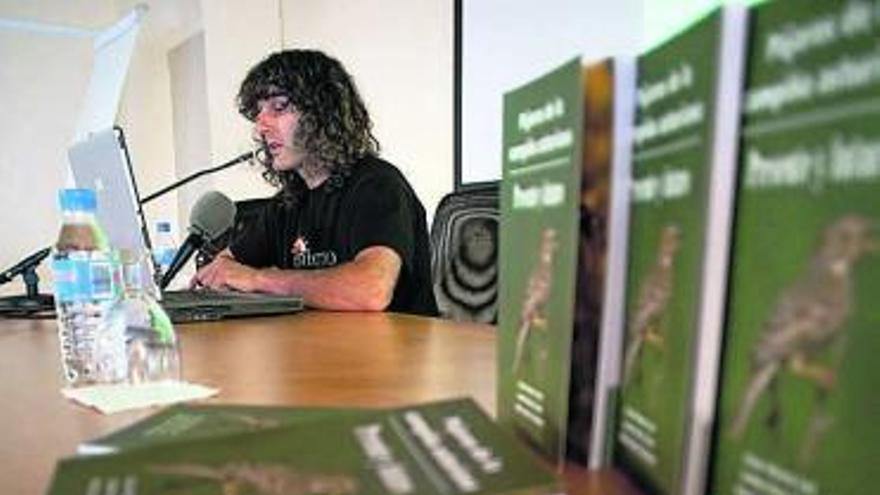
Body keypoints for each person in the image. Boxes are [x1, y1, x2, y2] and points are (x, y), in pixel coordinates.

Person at [193, 49, 438, 316]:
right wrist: (227, 275)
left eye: (279, 107)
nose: (260, 127)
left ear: (321, 114)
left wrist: (258, 279)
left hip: (396, 353)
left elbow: (371, 290)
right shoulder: (288, 202)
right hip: (321, 349)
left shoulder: (378, 185)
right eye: (258, 112)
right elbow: (225, 266)